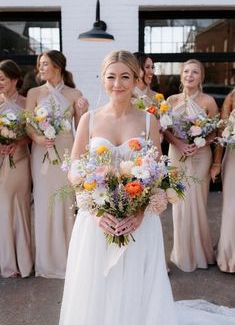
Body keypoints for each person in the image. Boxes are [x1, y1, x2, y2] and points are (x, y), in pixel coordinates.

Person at [59, 50, 180, 325]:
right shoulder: (88, 119)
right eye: (111, 76)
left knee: (136, 285)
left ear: (137, 79)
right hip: (98, 221)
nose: (118, 84)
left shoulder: (149, 120)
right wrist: (97, 212)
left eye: (125, 76)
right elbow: (75, 171)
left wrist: (140, 213)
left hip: (138, 223)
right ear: (102, 79)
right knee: (98, 287)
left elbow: (158, 172)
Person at [26, 50, 88, 278]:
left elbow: (82, 128)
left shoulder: (75, 94)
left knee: (66, 202)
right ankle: (47, 262)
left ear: (58, 66)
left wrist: (83, 110)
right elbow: (28, 124)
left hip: (65, 151)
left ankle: (70, 260)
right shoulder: (34, 93)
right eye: (39, 64)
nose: (40, 68)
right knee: (44, 203)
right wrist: (38, 138)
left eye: (45, 64)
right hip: (42, 152)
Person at [164, 59, 218, 272]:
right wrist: (179, 143)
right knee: (179, 203)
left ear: (201, 77)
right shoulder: (171, 100)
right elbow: (164, 129)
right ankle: (182, 254)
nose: (189, 75)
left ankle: (201, 254)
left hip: (200, 155)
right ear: (181, 75)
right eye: (186, 71)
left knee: (197, 202)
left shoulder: (208, 101)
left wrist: (199, 142)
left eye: (195, 72)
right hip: (177, 153)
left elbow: (215, 131)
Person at [0, 60, 33, 278]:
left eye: (2, 79)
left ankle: (23, 262)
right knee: (3, 209)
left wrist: (17, 142)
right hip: (1, 160)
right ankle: (8, 263)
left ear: (14, 80)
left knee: (20, 207)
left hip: (20, 160)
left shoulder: (25, 103)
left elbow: (33, 134)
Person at [210, 89, 235, 273]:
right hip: (233, 158)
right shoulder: (232, 97)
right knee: (231, 207)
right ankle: (229, 257)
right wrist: (217, 162)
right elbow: (221, 132)